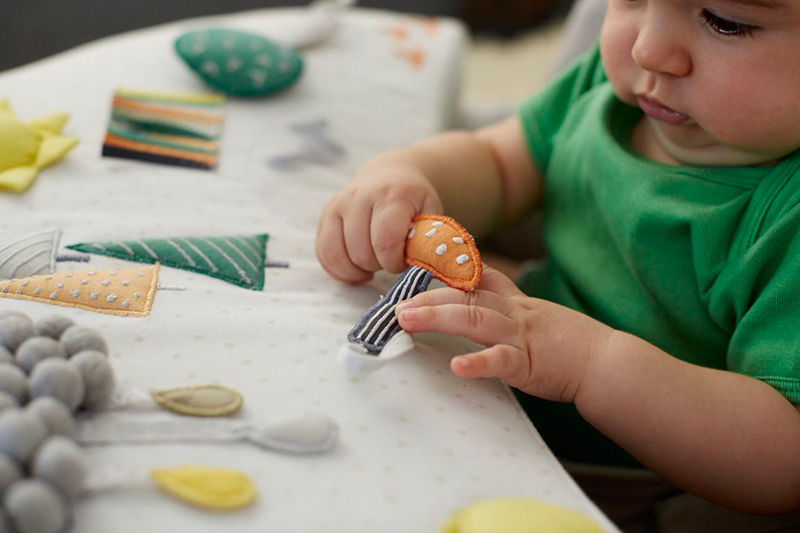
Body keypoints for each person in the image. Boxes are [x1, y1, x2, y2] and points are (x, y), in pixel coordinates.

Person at [316, 0, 800, 529]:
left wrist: (589, 364)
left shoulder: (785, 216)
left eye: (724, 21)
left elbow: (780, 458)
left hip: (603, 484)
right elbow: (500, 164)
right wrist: (405, 175)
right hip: (482, 392)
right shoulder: (611, 89)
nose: (647, 49)